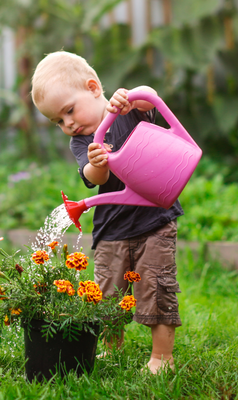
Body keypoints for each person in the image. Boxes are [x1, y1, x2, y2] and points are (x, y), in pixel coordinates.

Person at [31, 51, 184, 374]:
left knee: (157, 287)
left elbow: (151, 99)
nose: (67, 123)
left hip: (153, 219)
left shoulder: (127, 111)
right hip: (111, 227)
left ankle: (161, 357)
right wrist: (96, 163)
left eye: (69, 111)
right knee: (107, 294)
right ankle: (114, 348)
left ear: (93, 87)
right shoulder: (83, 141)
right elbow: (91, 177)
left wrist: (131, 97)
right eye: (58, 121)